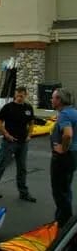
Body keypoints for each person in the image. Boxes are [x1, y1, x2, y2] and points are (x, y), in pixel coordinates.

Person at [0, 86, 36, 202]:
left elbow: (31, 122)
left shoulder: (28, 108)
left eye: (22, 96)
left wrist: (29, 135)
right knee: (1, 164)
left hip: (23, 142)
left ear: (25, 95)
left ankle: (23, 193)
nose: (19, 98)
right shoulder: (8, 108)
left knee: (22, 168)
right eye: (18, 95)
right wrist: (6, 135)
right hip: (9, 142)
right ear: (15, 95)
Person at [50, 88, 77, 228]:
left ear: (59, 100)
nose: (51, 100)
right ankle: (61, 218)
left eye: (53, 98)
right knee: (66, 189)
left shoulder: (65, 114)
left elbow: (68, 134)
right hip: (73, 156)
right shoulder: (74, 112)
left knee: (59, 191)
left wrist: (63, 149)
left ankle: (65, 224)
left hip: (64, 157)